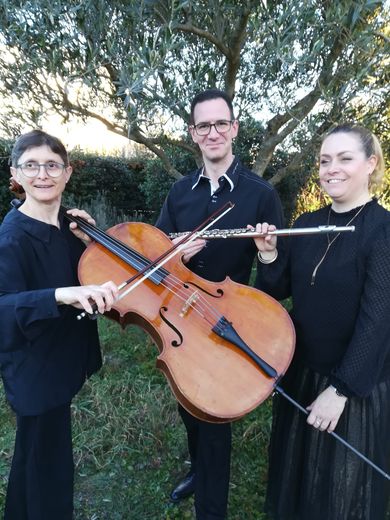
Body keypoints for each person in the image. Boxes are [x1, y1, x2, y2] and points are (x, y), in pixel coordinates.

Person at [155, 88, 284, 519]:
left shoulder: (260, 195)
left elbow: (276, 284)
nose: (213, 132)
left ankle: (212, 509)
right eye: (203, 125)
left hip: (226, 321)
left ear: (234, 128)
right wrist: (173, 255)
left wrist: (267, 253)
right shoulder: (179, 193)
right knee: (188, 406)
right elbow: (153, 260)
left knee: (213, 417)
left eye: (220, 124)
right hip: (177, 321)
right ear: (193, 134)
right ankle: (199, 471)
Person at [254, 124, 390, 519]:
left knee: (341, 495)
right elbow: (279, 289)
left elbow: (378, 320)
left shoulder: (382, 231)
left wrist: (341, 389)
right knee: (297, 479)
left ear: (371, 164)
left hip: (353, 385)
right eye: (325, 160)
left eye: (345, 158)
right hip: (303, 372)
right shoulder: (307, 223)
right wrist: (267, 254)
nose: (332, 168)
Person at [0, 129, 119, 519]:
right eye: (31, 166)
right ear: (15, 173)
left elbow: (94, 273)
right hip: (35, 369)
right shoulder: (11, 237)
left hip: (63, 359)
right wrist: (57, 295)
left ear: (67, 173)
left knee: (40, 459)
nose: (43, 175)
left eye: (52, 165)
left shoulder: (70, 226)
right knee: (44, 467)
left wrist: (92, 243)